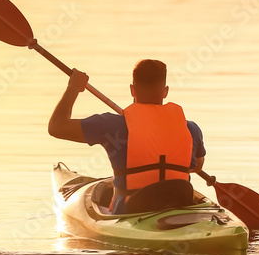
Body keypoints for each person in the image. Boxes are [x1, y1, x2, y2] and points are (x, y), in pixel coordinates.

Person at [48, 59, 206, 214]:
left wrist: (73, 88)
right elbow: (196, 166)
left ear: (132, 90)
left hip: (131, 210)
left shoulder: (111, 125)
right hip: (181, 205)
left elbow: (56, 127)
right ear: (165, 91)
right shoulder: (190, 128)